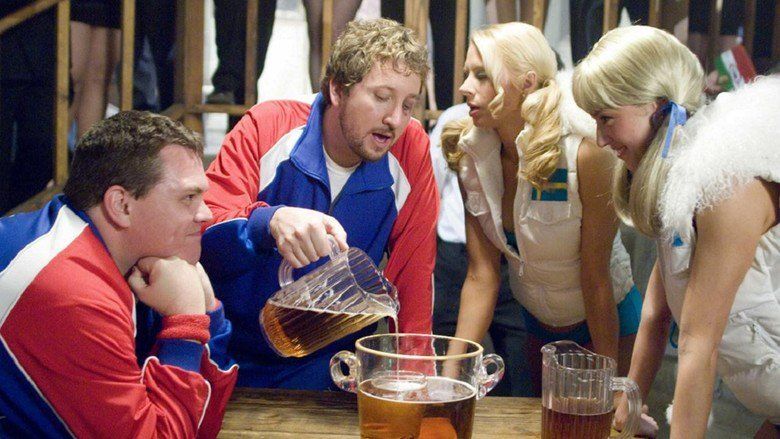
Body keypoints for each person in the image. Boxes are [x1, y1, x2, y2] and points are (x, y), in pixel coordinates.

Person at [200, 18, 438, 390]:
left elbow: (413, 278)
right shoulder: (267, 127)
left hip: (330, 374)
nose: (395, 120)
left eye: (408, 105)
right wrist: (269, 221)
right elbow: (201, 231)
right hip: (232, 361)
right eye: (381, 97)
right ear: (337, 90)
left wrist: (417, 388)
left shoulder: (411, 150)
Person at [573, 25, 780, 438]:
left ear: (660, 107)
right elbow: (656, 312)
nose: (599, 138)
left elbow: (696, 346)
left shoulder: (726, 184)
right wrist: (625, 410)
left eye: (607, 118)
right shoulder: (680, 180)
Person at [0, 111, 237, 437]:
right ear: (121, 205)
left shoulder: (131, 262)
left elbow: (200, 421)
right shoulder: (71, 292)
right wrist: (186, 326)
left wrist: (207, 310)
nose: (206, 213)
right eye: (188, 198)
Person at [444, 22, 639, 394]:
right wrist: (451, 375)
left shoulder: (586, 153)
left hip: (608, 321)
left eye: (482, 76)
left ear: (527, 83)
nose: (465, 87)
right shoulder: (471, 156)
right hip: (539, 328)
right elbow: (481, 276)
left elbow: (595, 276)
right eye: (467, 73)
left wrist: (610, 382)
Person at [431, 104, 533, 397]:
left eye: (482, 75)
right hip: (454, 253)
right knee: (446, 352)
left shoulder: (527, 131)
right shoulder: (454, 120)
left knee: (516, 358)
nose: (468, 87)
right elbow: (432, 184)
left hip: (510, 255)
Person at [70, 0, 122, 140]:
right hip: (72, 6)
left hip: (111, 5)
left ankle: (88, 157)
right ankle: (57, 155)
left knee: (100, 78)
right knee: (72, 76)